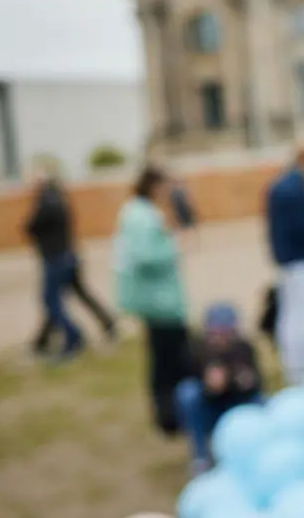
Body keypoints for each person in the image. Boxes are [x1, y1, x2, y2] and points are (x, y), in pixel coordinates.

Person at [113, 164, 191, 433]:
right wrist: (173, 245)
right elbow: (145, 256)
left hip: (158, 299)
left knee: (165, 358)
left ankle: (171, 414)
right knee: (171, 360)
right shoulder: (142, 216)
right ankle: (170, 416)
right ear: (155, 185)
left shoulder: (139, 212)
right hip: (160, 301)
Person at [25, 169, 116, 359]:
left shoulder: (46, 203)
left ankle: (73, 336)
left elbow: (30, 226)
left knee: (51, 301)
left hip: (57, 259)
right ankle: (41, 341)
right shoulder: (61, 200)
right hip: (69, 256)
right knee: (73, 295)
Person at [175, 301, 262, 476]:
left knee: (263, 402)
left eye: (225, 333)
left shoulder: (244, 349)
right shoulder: (197, 349)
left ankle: (255, 449)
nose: (219, 338)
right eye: (215, 332)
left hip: (236, 406)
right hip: (208, 408)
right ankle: (200, 455)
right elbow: (190, 381)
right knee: (187, 392)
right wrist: (210, 386)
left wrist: (235, 382)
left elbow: (255, 386)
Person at [267, 144, 304, 384]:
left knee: (289, 317)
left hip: (285, 260)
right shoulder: (296, 187)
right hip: (300, 259)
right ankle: (303, 371)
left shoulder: (278, 185)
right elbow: (302, 227)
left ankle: (292, 368)